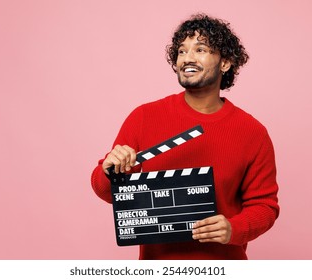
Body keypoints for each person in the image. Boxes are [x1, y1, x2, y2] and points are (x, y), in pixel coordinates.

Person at [91, 13, 279, 260]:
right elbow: (105, 190)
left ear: (225, 63)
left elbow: (264, 206)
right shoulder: (144, 117)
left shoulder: (252, 132)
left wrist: (234, 228)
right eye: (181, 51)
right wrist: (109, 170)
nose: (187, 58)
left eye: (200, 49)